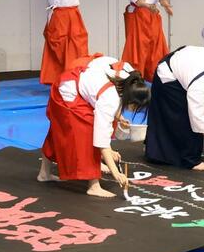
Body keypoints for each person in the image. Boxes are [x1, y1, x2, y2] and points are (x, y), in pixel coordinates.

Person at [38, 53, 150, 197]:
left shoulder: (129, 76)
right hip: (68, 91)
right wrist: (116, 173)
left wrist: (118, 116)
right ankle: (93, 186)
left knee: (58, 130)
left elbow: (105, 99)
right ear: (130, 100)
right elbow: (101, 140)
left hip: (76, 80)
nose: (133, 111)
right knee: (88, 132)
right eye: (135, 108)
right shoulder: (110, 99)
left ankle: (44, 173)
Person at [20, 0, 115, 84]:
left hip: (74, 17)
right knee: (59, 49)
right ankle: (58, 79)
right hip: (58, 18)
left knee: (78, 46)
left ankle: (76, 77)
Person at [145, 45, 204, 171]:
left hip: (183, 63)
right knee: (185, 119)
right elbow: (199, 119)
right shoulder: (200, 88)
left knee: (184, 117)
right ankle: (190, 160)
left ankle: (157, 149)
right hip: (168, 75)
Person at [121, 0, 172, 81]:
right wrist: (148, 6)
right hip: (139, 17)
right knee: (139, 50)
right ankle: (136, 81)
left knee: (155, 49)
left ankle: (154, 80)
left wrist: (166, 4)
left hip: (153, 17)